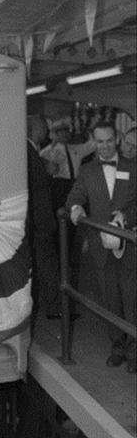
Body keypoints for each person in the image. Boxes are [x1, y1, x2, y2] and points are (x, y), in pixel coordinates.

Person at [66, 120, 136, 371]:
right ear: (93, 142)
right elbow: (75, 195)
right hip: (100, 247)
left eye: (109, 141)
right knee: (110, 300)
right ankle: (117, 348)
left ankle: (134, 353)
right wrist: (75, 207)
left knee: (132, 300)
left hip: (128, 246)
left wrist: (126, 217)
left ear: (116, 139)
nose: (105, 147)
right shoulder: (87, 170)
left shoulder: (132, 167)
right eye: (99, 142)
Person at [26, 115, 63, 322]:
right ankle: (55, 308)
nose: (48, 134)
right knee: (48, 265)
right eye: (45, 129)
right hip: (40, 221)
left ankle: (52, 306)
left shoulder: (30, 152)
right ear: (37, 130)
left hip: (36, 221)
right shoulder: (30, 153)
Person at [40, 120, 95, 211]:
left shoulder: (74, 149)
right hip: (58, 187)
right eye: (61, 132)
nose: (65, 134)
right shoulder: (46, 152)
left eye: (66, 131)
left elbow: (92, 145)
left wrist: (91, 133)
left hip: (74, 185)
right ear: (55, 134)